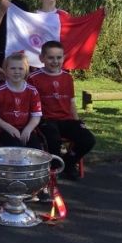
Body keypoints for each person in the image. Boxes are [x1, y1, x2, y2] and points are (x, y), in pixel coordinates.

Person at [27, 41, 95, 180]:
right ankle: (54, 169)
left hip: (66, 119)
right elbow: (29, 104)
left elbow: (71, 102)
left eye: (59, 57)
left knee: (88, 139)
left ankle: (68, 163)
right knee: (53, 140)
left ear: (63, 58)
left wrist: (77, 121)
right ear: (42, 58)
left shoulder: (67, 77)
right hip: (46, 120)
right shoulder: (33, 78)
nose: (55, 61)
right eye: (50, 58)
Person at [0, 52, 42, 149]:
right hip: (5, 130)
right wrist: (8, 127)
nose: (17, 71)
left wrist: (28, 129)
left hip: (26, 129)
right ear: (5, 70)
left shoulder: (32, 91)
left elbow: (36, 115)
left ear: (26, 70)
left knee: (35, 150)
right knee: (17, 148)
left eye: (20, 68)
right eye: (13, 68)